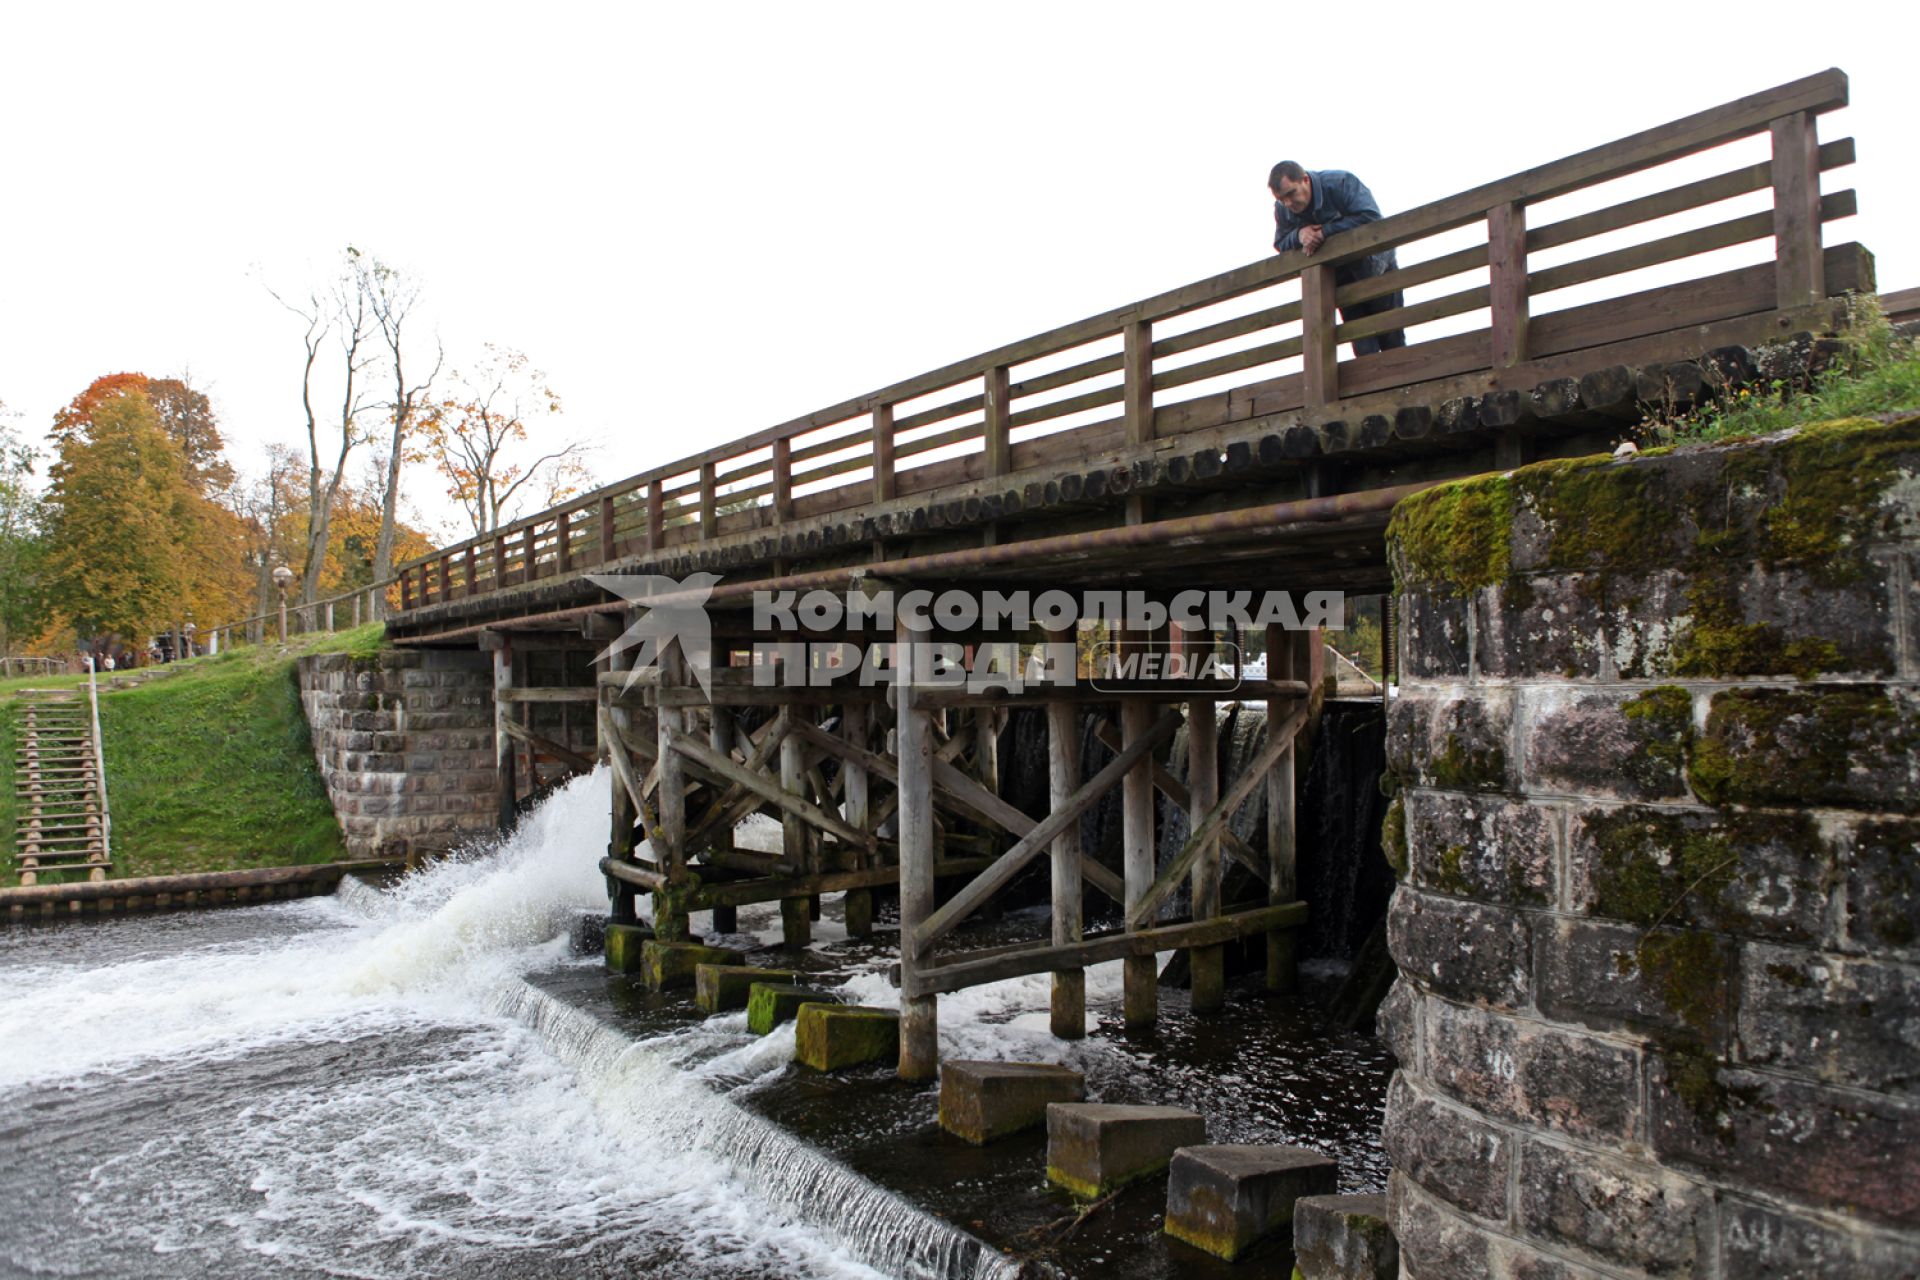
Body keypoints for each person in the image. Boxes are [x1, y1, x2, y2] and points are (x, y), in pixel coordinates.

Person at [1269, 161, 1406, 355]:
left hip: (1377, 268)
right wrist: (1299, 235)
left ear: (1305, 180)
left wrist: (1325, 231)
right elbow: (1280, 242)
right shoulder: (1283, 209)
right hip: (1340, 280)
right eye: (1282, 199)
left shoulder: (1340, 182)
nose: (1288, 203)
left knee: (1392, 338)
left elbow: (1371, 218)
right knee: (1363, 346)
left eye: (1291, 194)